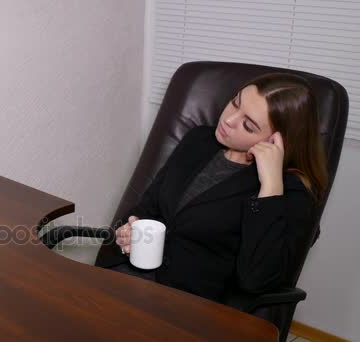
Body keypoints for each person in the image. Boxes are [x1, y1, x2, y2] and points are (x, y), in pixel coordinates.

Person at [106, 72, 328, 304]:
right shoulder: (198, 140)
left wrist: (271, 187)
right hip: (134, 278)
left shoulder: (289, 192)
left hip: (192, 306)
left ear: (276, 142)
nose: (229, 120)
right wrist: (129, 231)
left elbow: (257, 280)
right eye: (235, 102)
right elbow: (148, 207)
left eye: (248, 125)